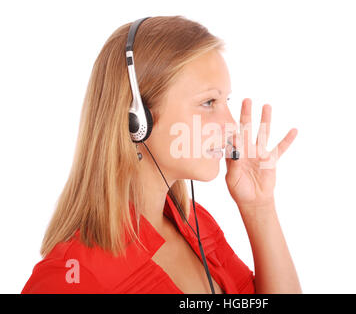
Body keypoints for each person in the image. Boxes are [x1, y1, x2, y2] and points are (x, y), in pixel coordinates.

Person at [21, 15, 302, 294]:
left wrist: (259, 208)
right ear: (138, 120)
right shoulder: (69, 276)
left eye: (225, 101)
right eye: (208, 102)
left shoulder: (195, 223)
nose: (230, 125)